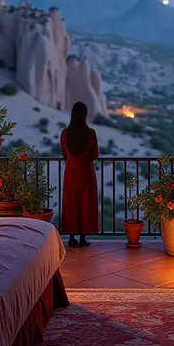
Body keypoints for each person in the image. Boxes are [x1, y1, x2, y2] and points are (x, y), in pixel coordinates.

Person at [61, 101, 99, 247]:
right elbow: (95, 155)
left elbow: (64, 154)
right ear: (85, 115)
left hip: (71, 171)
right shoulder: (90, 133)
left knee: (71, 203)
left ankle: (71, 237)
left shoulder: (65, 133)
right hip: (86, 172)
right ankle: (83, 237)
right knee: (86, 202)